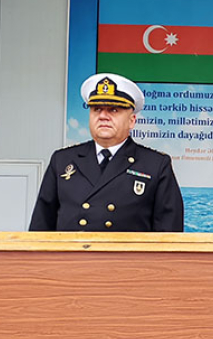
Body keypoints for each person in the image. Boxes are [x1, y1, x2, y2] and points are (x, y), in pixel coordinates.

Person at [30, 73, 184, 232]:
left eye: (114, 110)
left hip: (126, 256)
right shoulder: (62, 161)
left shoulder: (155, 165)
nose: (103, 116)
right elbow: (40, 227)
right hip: (73, 256)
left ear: (132, 121)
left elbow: (169, 235)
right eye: (96, 109)